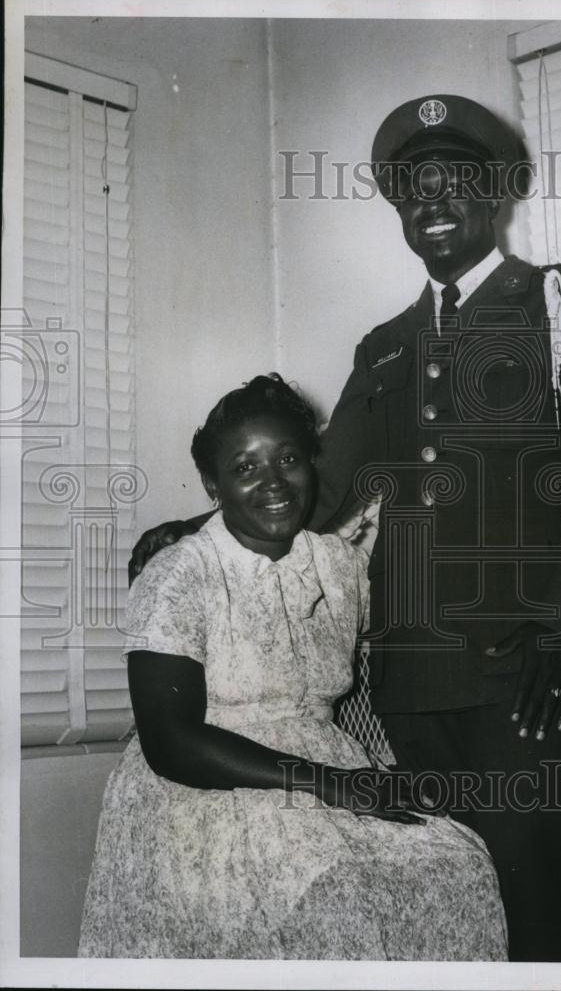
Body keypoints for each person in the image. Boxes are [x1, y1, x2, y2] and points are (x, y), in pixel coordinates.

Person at [130, 95, 561, 961]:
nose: (431, 202)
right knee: (450, 902)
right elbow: (323, 488)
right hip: (410, 674)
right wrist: (196, 524)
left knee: (532, 897)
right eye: (412, 189)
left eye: (451, 181)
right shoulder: (385, 346)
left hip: (524, 666)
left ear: (493, 194)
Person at [80, 374, 509, 960]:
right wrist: (334, 785)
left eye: (288, 459)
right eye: (245, 467)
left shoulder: (338, 566)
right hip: (208, 790)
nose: (274, 483)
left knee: (460, 864)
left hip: (328, 774)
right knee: (333, 897)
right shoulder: (180, 573)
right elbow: (170, 741)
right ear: (212, 484)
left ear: (313, 463)